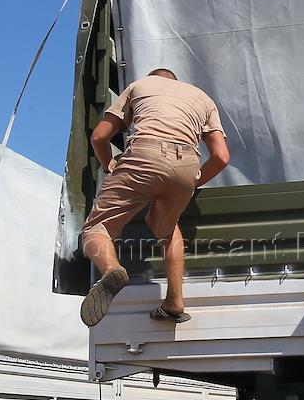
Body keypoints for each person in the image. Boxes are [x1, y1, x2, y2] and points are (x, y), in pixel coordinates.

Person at [79, 68, 231, 327]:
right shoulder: (202, 98)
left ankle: (111, 268)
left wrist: (110, 165)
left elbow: (99, 137)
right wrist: (193, 182)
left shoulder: (140, 86)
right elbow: (221, 157)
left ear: (154, 78)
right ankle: (174, 302)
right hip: (186, 162)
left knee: (96, 228)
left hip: (145, 153)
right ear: (175, 81)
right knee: (168, 229)